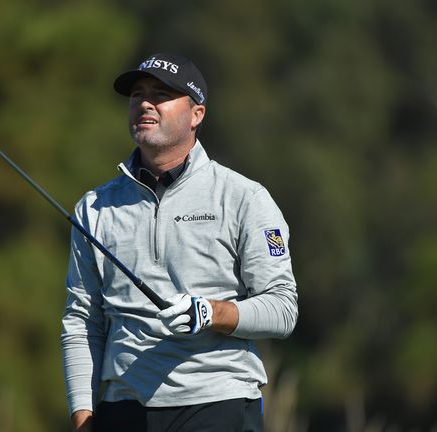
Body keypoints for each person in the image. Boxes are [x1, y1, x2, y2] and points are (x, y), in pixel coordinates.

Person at [61, 53, 298, 432]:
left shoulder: (244, 197)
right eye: (137, 94)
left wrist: (211, 313)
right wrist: (82, 415)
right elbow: (83, 320)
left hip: (218, 400)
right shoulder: (95, 207)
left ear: (196, 114)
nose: (145, 103)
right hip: (122, 406)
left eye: (161, 94)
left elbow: (282, 309)